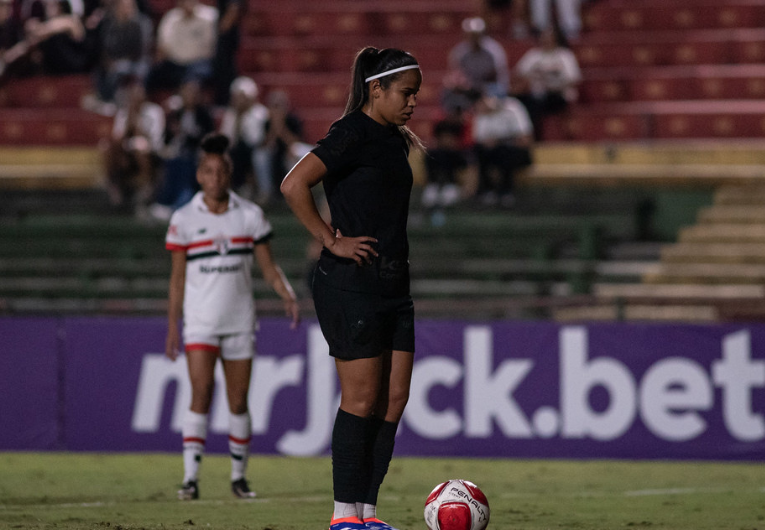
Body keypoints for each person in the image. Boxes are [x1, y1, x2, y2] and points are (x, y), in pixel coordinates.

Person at [281, 46, 422, 530]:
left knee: (394, 398)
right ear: (375, 88)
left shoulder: (394, 139)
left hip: (393, 283)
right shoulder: (351, 133)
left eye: (416, 95)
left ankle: (367, 512)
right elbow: (293, 184)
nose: (413, 103)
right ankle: (343, 517)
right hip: (353, 285)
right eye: (406, 93)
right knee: (360, 400)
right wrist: (329, 240)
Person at [164, 132, 300, 501]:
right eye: (208, 171)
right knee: (201, 394)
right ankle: (190, 478)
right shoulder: (184, 219)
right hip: (201, 322)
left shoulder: (250, 216)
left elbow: (269, 268)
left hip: (239, 321)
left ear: (230, 173)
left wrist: (286, 292)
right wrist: (172, 327)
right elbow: (177, 280)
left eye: (222, 171)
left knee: (238, 401)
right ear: (199, 176)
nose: (216, 177)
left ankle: (239, 478)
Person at [149, 78, 214, 219]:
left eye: (192, 93)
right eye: (186, 92)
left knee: (183, 163)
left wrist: (185, 134)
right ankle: (164, 202)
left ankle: (179, 201)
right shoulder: (175, 115)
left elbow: (207, 139)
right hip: (175, 153)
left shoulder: (204, 116)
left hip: (195, 155)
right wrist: (173, 134)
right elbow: (166, 138)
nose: (189, 96)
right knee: (171, 162)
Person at [102, 77, 164, 211]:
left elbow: (155, 139)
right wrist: (129, 123)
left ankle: (147, 186)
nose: (135, 98)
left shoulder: (155, 111)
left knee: (140, 147)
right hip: (126, 152)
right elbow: (117, 138)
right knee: (107, 146)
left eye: (139, 94)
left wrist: (137, 125)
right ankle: (113, 184)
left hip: (149, 151)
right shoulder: (124, 112)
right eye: (133, 95)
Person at [513, 27, 581, 140]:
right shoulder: (533, 56)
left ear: (556, 39)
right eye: (544, 38)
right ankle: (530, 138)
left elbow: (573, 80)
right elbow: (518, 74)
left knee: (540, 103)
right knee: (524, 102)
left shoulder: (564, 55)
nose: (546, 41)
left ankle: (544, 138)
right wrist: (530, 81)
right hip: (537, 95)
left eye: (549, 38)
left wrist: (553, 86)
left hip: (559, 95)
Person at [471, 92, 533, 207]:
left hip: (515, 153)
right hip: (493, 154)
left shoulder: (513, 107)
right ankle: (486, 190)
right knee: (480, 151)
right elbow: (479, 139)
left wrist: (499, 141)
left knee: (505, 151)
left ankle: (506, 192)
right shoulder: (481, 114)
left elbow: (524, 139)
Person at [145, 0, 216, 93]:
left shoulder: (210, 17)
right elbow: (163, 45)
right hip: (175, 63)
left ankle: (189, 106)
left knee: (192, 81)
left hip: (199, 63)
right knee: (150, 75)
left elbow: (212, 45)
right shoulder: (170, 18)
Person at [447, 16, 509, 99]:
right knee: (449, 93)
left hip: (490, 86)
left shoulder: (494, 51)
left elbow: (497, 74)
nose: (474, 38)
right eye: (471, 35)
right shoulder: (459, 52)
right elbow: (457, 73)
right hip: (470, 87)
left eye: (476, 35)